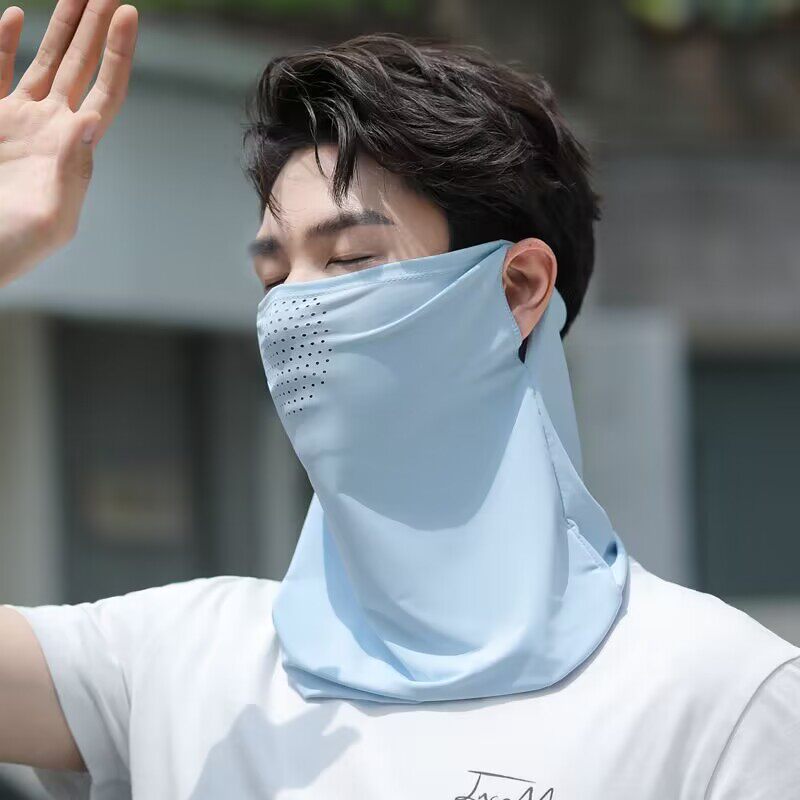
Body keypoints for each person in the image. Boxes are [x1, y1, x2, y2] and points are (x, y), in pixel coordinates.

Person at [0, 2, 798, 798]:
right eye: (273, 275)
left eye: (350, 258)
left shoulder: (716, 697)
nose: (294, 309)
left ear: (517, 288)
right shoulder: (179, 660)